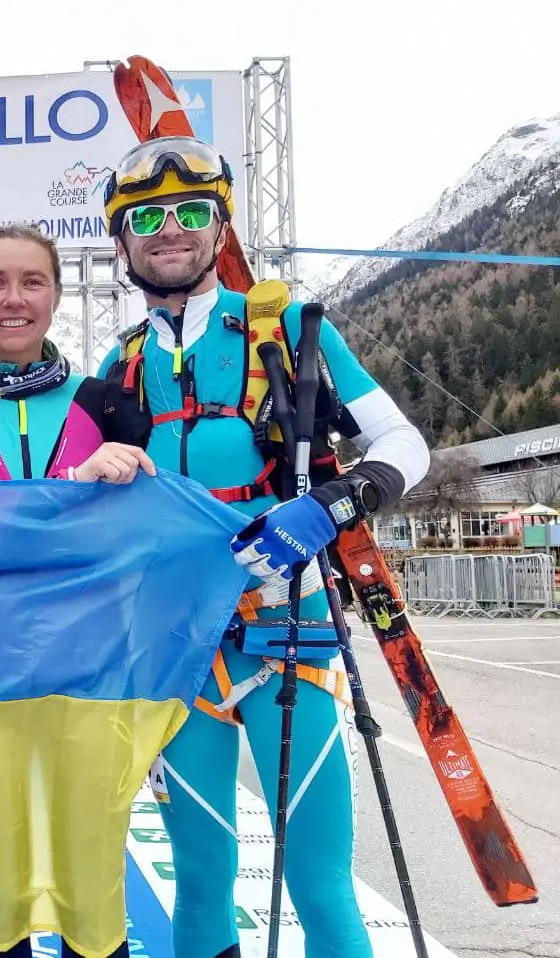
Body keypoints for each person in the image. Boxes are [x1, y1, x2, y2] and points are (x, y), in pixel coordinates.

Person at [97, 136, 431, 958]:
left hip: (289, 632)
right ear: (122, 241)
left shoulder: (287, 332)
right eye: (147, 216)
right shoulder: (121, 365)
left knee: (318, 880)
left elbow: (403, 445)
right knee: (202, 873)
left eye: (189, 212)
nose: (168, 229)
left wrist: (328, 506)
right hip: (177, 649)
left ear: (221, 229)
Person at [0, 223, 153, 958]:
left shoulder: (107, 402)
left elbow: (141, 532)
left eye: (32, 282)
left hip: (91, 672)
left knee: (89, 884)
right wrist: (74, 488)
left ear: (55, 295)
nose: (13, 300)